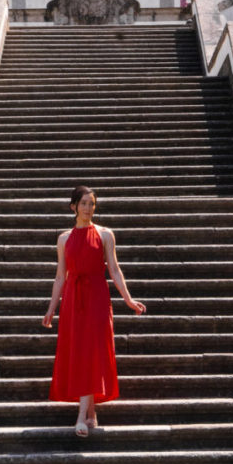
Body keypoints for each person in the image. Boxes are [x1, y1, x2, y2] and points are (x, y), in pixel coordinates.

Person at [42, 185, 145, 437]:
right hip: (74, 300)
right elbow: (60, 276)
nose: (88, 208)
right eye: (84, 203)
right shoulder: (64, 239)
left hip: (98, 298)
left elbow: (115, 270)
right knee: (79, 354)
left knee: (93, 353)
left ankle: (81, 415)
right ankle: (90, 414)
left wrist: (128, 300)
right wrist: (51, 309)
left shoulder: (105, 234)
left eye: (92, 204)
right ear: (73, 207)